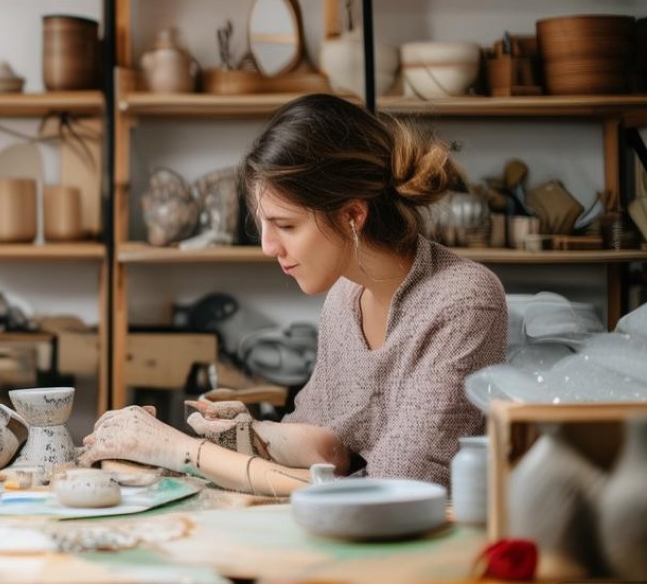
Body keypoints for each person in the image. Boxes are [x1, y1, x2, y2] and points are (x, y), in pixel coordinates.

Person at [79, 93, 507, 494]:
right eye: (264, 225)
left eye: (285, 226)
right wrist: (254, 433)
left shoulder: (462, 301)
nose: (268, 246)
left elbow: (389, 488)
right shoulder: (344, 299)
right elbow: (325, 443)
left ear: (353, 215)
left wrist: (180, 451)